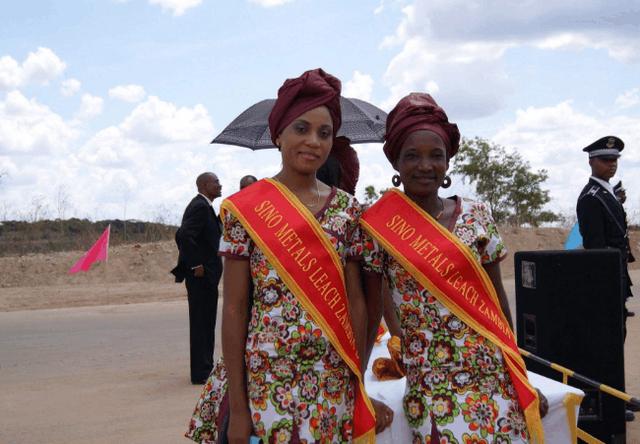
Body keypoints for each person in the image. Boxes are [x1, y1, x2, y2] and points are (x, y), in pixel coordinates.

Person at [186, 68, 379, 444]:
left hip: (331, 378)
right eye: (301, 129)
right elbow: (235, 309)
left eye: (324, 133)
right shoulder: (245, 209)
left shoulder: (349, 211)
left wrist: (357, 377)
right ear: (278, 134)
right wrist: (239, 410)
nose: (313, 142)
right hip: (266, 378)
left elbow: (357, 301)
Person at [360, 93, 547, 443]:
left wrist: (522, 377)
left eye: (436, 156)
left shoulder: (476, 215)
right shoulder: (378, 227)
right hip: (430, 382)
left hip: (492, 376)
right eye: (412, 156)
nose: (425, 165)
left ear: (448, 163)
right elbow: (372, 313)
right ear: (396, 163)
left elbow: (498, 304)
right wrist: (358, 387)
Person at [171, 172, 223, 385]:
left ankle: (205, 368)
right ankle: (201, 372)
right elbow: (183, 235)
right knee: (202, 323)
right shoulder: (200, 206)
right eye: (216, 182)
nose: (220, 185)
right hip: (201, 277)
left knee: (206, 322)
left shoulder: (206, 207)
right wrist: (196, 264)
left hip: (207, 276)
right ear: (204, 185)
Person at [577, 137, 634, 322]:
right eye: (605, 160)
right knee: (612, 332)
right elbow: (595, 247)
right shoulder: (590, 197)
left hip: (618, 271)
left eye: (614, 160)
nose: (612, 164)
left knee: (620, 328)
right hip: (607, 278)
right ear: (591, 161)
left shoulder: (607, 192)